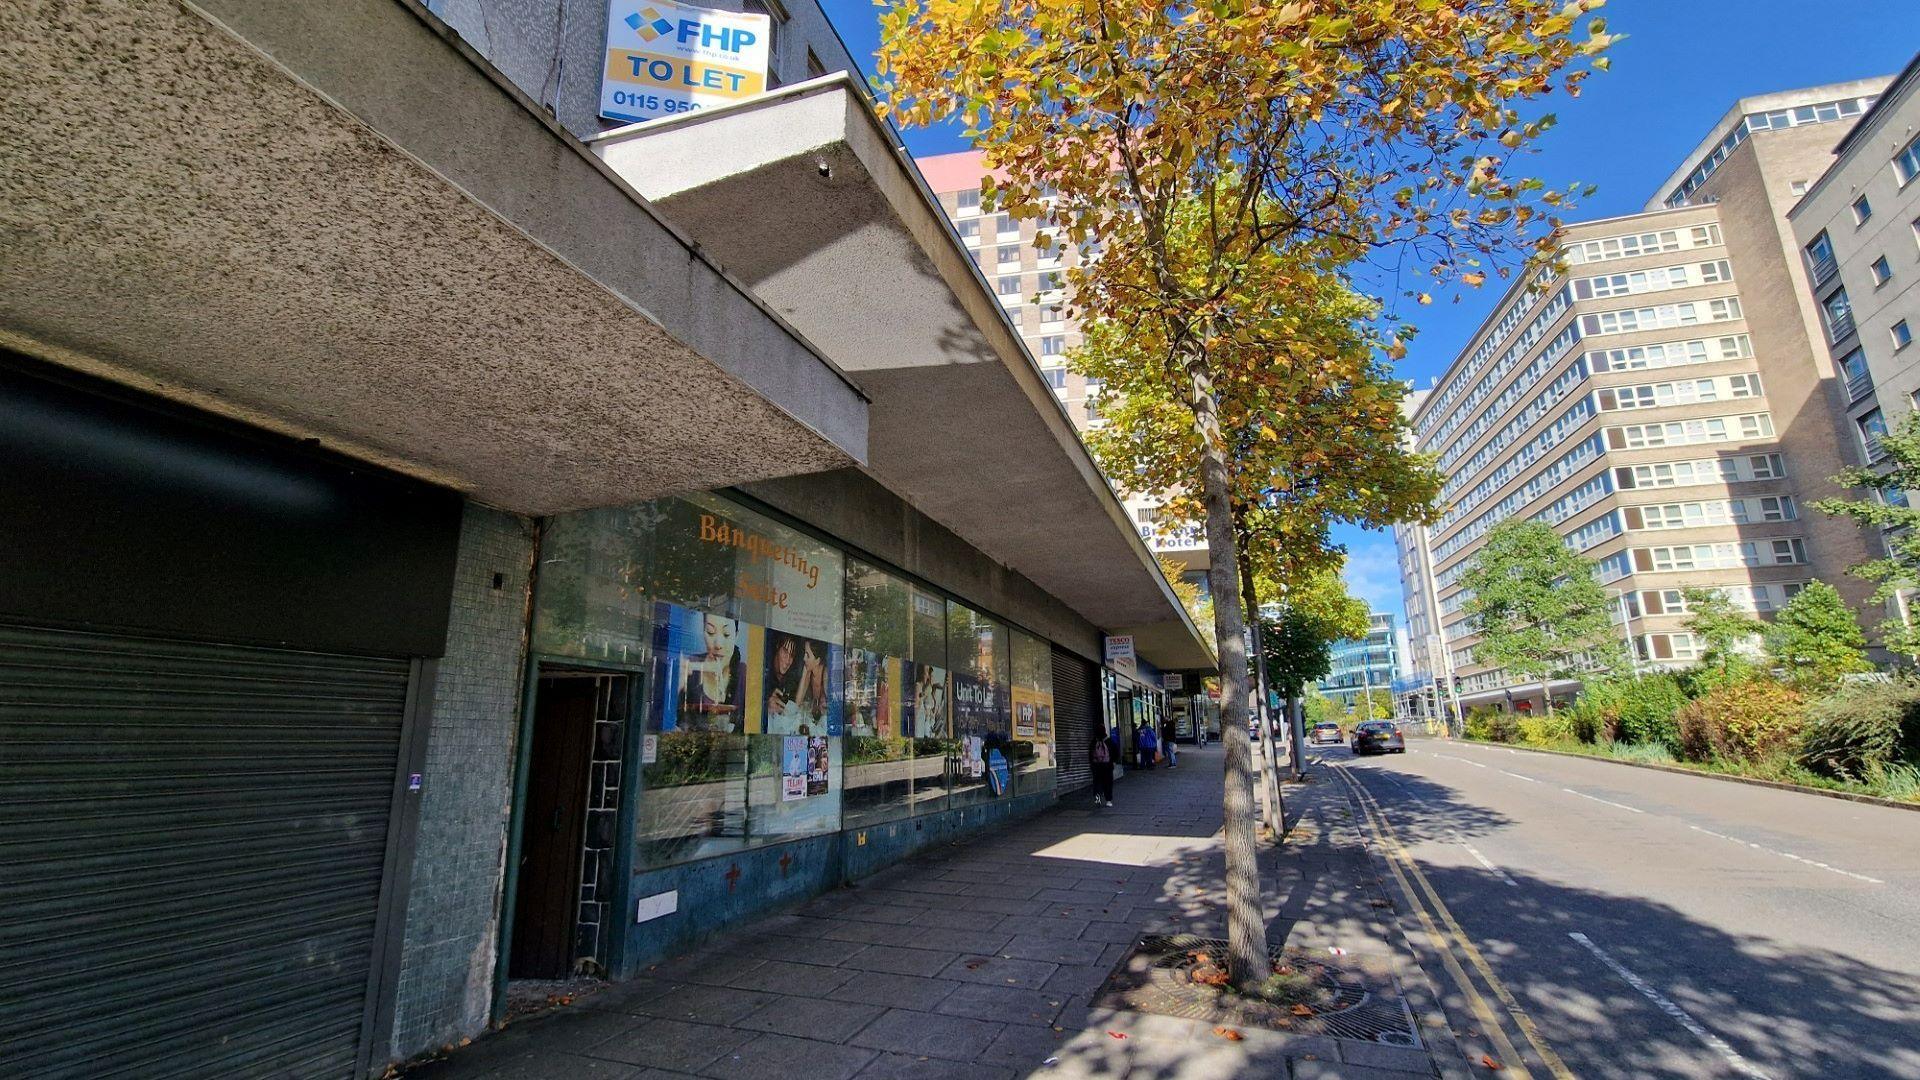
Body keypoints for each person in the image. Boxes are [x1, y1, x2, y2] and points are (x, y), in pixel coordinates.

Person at [1090, 727, 1115, 806]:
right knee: (1108, 782)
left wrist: (1092, 764)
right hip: (1107, 766)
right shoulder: (1109, 741)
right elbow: (1115, 752)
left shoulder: (1094, 741)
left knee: (1097, 781)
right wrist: (1113, 762)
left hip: (1096, 765)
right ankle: (1108, 800)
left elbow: (1090, 754)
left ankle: (1097, 795)